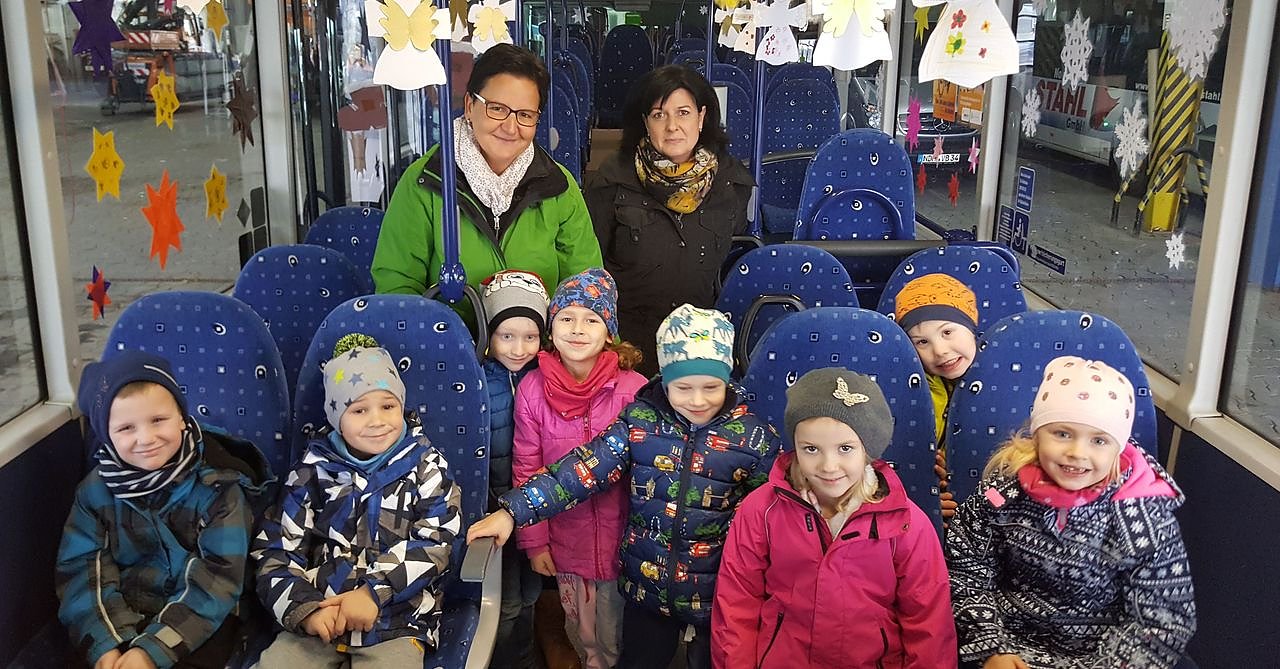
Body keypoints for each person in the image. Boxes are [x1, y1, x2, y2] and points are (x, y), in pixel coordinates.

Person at [468, 303, 782, 669]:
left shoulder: (753, 437)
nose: (697, 401)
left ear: (727, 380)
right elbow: (579, 471)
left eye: (711, 387)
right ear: (665, 381)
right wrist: (512, 513)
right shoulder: (640, 421)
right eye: (683, 388)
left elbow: (774, 515)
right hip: (647, 590)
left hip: (719, 594)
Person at [947, 356, 1196, 668]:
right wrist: (991, 647)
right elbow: (965, 569)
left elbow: (1163, 618)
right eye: (1062, 434)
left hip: (1103, 656)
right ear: (1036, 434)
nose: (1077, 453)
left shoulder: (1145, 519)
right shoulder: (1001, 495)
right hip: (1009, 646)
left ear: (1118, 448)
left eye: (1099, 440)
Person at [712, 367, 957, 668]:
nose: (828, 466)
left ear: (868, 451)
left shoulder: (906, 524)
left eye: (845, 448)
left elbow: (928, 624)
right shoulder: (761, 511)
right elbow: (737, 602)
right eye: (811, 449)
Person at [252, 336, 462, 667]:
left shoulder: (427, 466)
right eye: (359, 410)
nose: (377, 420)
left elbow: (437, 543)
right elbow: (276, 549)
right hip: (321, 615)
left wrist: (373, 593)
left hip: (396, 620)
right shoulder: (311, 471)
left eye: (388, 406)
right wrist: (303, 609)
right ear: (337, 418)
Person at [57, 351, 272, 669]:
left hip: (201, 616)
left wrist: (150, 651)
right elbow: (83, 570)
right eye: (126, 428)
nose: (146, 438)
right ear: (107, 436)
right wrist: (107, 644)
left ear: (182, 418)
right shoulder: (95, 491)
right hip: (122, 613)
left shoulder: (219, 486)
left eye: (158, 420)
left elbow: (219, 577)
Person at [372, 43, 601, 309]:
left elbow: (587, 290)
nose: (511, 127)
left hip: (540, 336)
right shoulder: (426, 182)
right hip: (448, 335)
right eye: (497, 109)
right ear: (470, 106)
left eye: (525, 115)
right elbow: (397, 288)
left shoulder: (559, 187)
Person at [503, 267, 645, 669]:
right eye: (566, 318)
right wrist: (535, 543)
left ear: (609, 333)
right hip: (566, 542)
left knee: (619, 634)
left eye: (592, 320)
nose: (578, 329)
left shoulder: (634, 388)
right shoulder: (532, 389)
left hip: (624, 544)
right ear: (551, 328)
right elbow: (527, 467)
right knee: (582, 634)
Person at [585, 64, 754, 376]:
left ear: (702, 117)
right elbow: (592, 267)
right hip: (628, 347)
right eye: (659, 115)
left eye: (683, 113)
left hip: (699, 347)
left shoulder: (732, 183)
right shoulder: (612, 180)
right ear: (645, 122)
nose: (672, 126)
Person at [479, 269, 550, 669]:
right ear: (488, 336)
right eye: (507, 336)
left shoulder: (546, 379)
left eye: (530, 337)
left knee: (530, 593)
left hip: (536, 508)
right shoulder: (474, 382)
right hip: (493, 508)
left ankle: (524, 655)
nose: (519, 348)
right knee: (504, 602)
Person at [895, 272, 981, 524]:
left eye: (947, 332)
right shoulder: (909, 393)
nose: (940, 350)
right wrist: (927, 492)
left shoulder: (1007, 380)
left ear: (971, 326)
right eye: (922, 342)